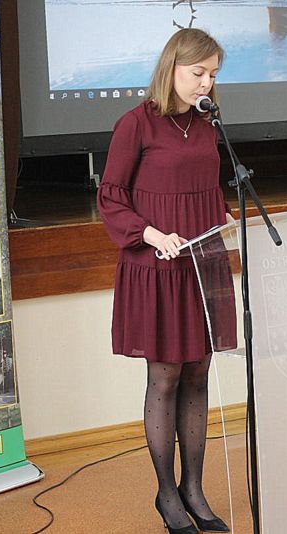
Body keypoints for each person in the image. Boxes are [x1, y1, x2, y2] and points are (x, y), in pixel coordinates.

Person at [97, 29, 235, 534]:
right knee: (166, 376)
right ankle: (166, 493)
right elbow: (111, 197)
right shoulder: (135, 124)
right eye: (198, 73)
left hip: (203, 263)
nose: (206, 83)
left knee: (198, 372)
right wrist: (152, 234)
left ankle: (194, 488)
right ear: (172, 66)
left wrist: (223, 214)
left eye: (213, 75)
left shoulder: (206, 125)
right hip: (158, 267)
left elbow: (205, 186)